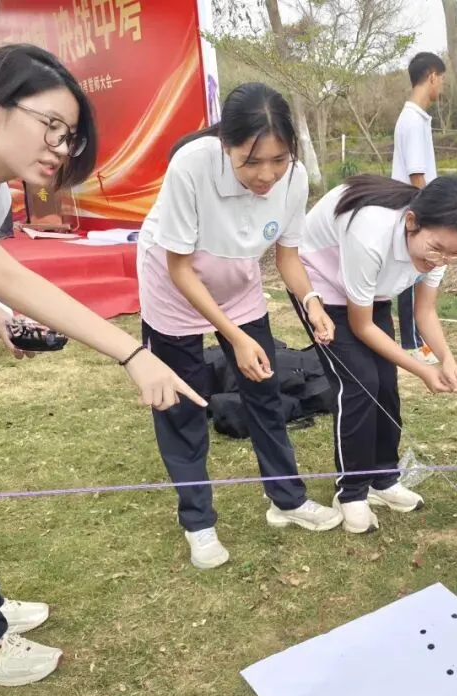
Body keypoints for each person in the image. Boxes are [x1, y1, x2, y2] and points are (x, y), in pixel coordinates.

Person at [0, 41, 204, 696]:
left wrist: (3, 323)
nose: (60, 148)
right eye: (51, 126)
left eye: (70, 137)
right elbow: (7, 273)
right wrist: (130, 351)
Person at [137, 82, 343, 570]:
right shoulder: (191, 165)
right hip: (174, 287)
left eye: (279, 159)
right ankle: (199, 523)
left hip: (239, 282)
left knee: (265, 392)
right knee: (180, 405)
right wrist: (234, 336)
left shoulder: (292, 179)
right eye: (252, 162)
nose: (267, 174)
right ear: (225, 144)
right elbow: (181, 268)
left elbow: (287, 256)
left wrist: (311, 301)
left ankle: (286, 501)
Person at [298, 174, 457, 533]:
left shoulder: (436, 247)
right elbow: (361, 326)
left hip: (370, 290)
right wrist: (423, 370)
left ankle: (383, 479)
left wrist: (447, 358)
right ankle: (351, 491)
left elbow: (424, 311)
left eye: (455, 255)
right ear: (411, 222)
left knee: (385, 381)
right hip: (320, 286)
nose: (442, 259)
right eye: (438, 249)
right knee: (361, 383)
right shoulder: (370, 231)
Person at [391, 52, 446, 367]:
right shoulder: (411, 119)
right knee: (411, 274)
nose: (443, 87)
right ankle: (411, 342)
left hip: (417, 207)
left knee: (415, 274)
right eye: (443, 79)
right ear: (432, 76)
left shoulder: (417, 117)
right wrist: (432, 214)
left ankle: (416, 339)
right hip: (415, 207)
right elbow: (416, 174)